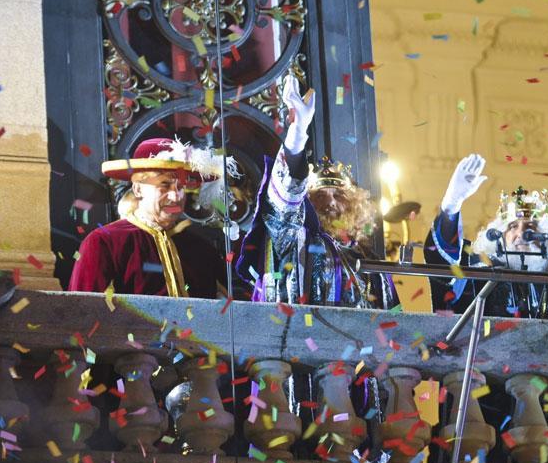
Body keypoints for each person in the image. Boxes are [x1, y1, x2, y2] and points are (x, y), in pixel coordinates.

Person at [235, 76, 397, 309]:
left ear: (354, 206)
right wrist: (297, 136)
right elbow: (282, 210)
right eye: (320, 196)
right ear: (306, 202)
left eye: (339, 196)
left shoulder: (371, 261)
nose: (330, 202)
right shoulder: (293, 238)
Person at [424, 154, 548, 320]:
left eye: (530, 227)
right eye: (513, 227)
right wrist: (451, 205)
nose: (521, 233)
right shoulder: (478, 279)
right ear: (498, 237)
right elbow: (445, 276)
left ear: (547, 240)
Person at [69, 138, 226, 298]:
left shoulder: (202, 250)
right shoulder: (104, 242)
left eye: (181, 187)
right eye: (165, 185)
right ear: (138, 189)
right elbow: (83, 313)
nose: (176, 196)